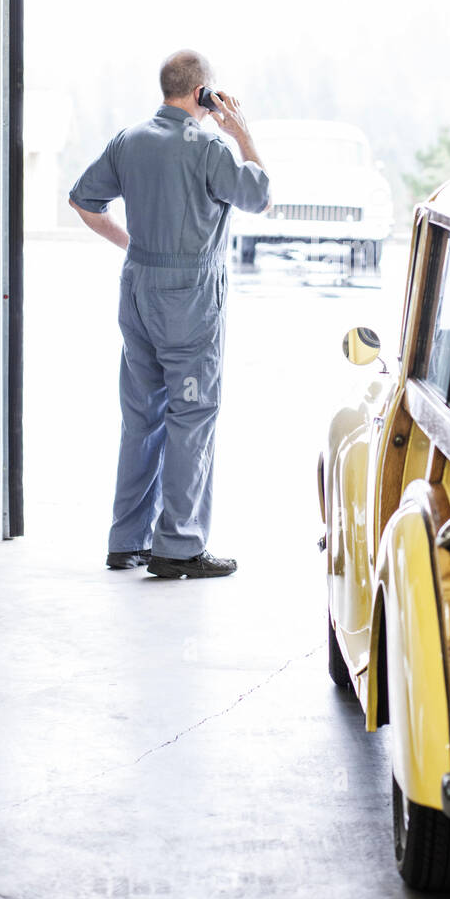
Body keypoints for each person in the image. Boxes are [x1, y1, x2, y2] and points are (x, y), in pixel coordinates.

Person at [68, 49, 270, 577]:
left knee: (141, 418)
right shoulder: (209, 146)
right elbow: (261, 195)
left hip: (137, 288)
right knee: (192, 417)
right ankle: (177, 547)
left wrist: (133, 244)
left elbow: (84, 201)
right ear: (204, 93)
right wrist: (241, 131)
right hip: (188, 298)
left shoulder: (129, 140)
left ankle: (126, 541)